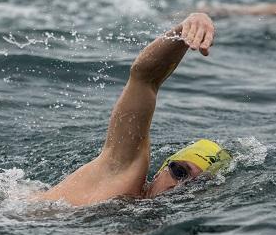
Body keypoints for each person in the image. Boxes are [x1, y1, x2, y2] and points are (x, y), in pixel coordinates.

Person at [38, 13, 232, 207]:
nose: (180, 186)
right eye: (180, 172)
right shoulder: (122, 174)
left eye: (198, 184)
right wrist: (185, 28)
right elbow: (144, 77)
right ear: (162, 169)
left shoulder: (149, 216)